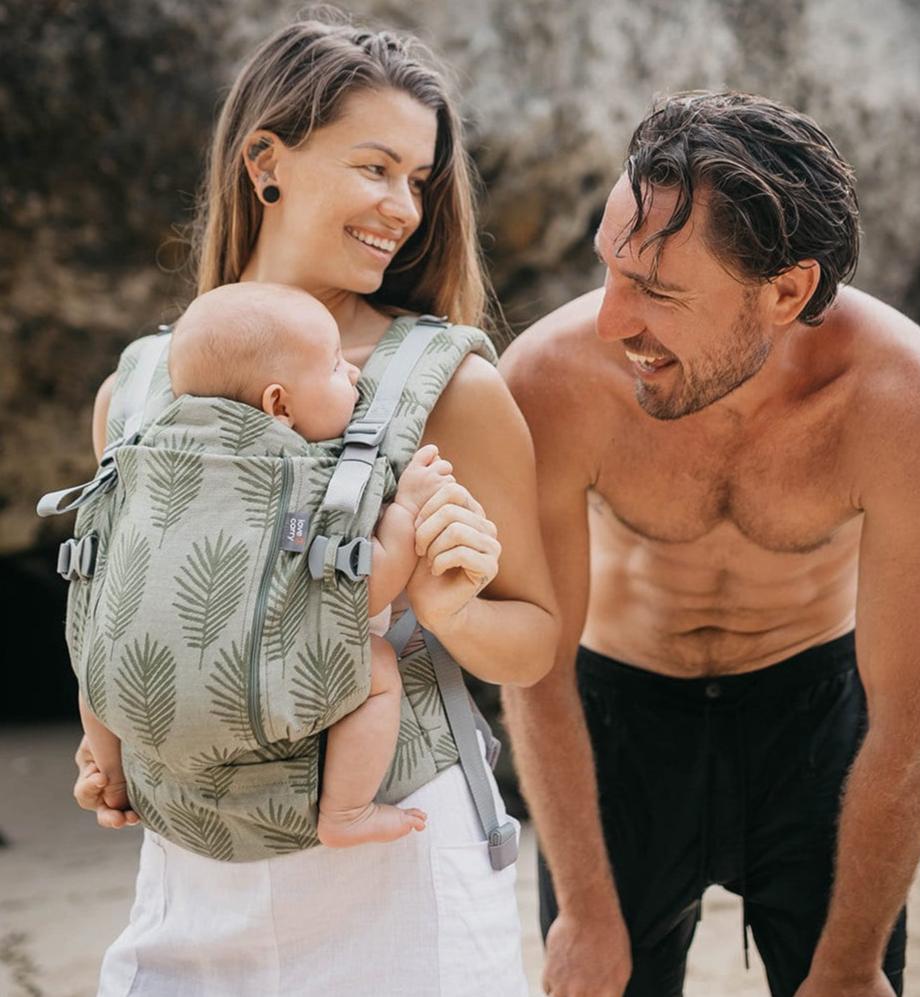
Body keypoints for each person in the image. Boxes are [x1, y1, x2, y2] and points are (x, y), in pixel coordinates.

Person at [72, 12, 559, 996]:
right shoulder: (138, 388)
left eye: (418, 180)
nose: (404, 208)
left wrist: (454, 609)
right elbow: (128, 613)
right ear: (266, 161)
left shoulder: (449, 385)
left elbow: (536, 639)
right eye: (375, 167)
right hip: (189, 872)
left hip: (396, 870)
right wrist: (106, 742)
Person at [501, 91, 920, 997]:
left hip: (812, 718)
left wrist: (848, 964)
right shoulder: (548, 377)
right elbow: (538, 670)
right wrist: (585, 910)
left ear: (786, 292)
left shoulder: (911, 405)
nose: (609, 321)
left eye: (653, 288)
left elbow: (910, 723)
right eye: (608, 266)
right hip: (618, 722)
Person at [81, 279, 465, 848]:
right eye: (337, 367)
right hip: (255, 698)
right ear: (278, 405)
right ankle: (346, 812)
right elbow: (363, 594)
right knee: (377, 668)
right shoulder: (301, 484)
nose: (355, 374)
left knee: (96, 657)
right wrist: (405, 510)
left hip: (135, 691)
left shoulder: (148, 460)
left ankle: (110, 774)